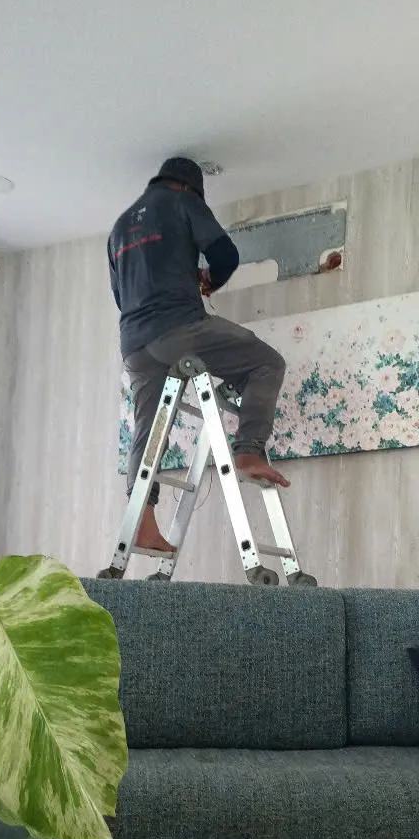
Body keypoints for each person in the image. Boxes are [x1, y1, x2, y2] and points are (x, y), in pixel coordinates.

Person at [108, 156, 289, 554]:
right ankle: (248, 451)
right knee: (267, 363)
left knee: (148, 429)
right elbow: (226, 256)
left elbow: (121, 296)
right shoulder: (182, 201)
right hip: (179, 328)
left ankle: (142, 524)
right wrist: (209, 279)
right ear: (189, 187)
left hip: (134, 344)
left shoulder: (119, 228)